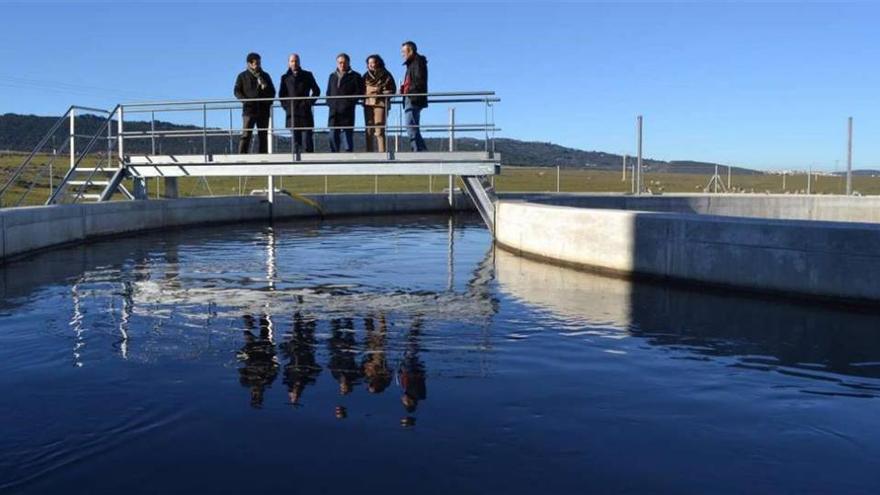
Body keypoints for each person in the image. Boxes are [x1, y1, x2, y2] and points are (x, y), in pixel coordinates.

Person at [233, 52, 276, 154]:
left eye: (259, 63)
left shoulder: (265, 76)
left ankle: (263, 157)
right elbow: (236, 91)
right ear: (249, 64)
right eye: (256, 63)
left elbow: (273, 92)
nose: (259, 65)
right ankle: (242, 157)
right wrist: (245, 101)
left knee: (263, 135)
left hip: (263, 110)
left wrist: (265, 88)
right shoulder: (242, 76)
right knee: (246, 134)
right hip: (249, 110)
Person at [278, 53, 321, 153]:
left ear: (299, 62)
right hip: (292, 113)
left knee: (308, 141)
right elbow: (281, 95)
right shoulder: (284, 77)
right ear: (288, 63)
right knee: (296, 143)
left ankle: (310, 164)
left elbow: (316, 91)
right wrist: (287, 107)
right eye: (292, 61)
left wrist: (309, 103)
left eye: (296, 61)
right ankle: (296, 164)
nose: (294, 63)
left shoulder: (307, 75)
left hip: (305, 112)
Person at [326, 53, 363, 152]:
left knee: (347, 136)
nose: (342, 65)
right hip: (334, 111)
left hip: (347, 111)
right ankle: (334, 156)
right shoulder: (332, 76)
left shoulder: (355, 76)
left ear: (348, 63)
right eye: (340, 62)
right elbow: (328, 92)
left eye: (344, 62)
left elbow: (359, 92)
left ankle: (349, 157)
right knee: (332, 135)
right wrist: (330, 103)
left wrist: (348, 103)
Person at [362, 55, 396, 153]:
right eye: (369, 63)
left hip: (380, 104)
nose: (372, 65)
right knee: (368, 130)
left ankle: (382, 153)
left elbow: (392, 90)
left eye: (373, 62)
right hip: (368, 104)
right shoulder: (365, 76)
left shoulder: (386, 74)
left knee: (380, 130)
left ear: (378, 62)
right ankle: (369, 153)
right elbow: (360, 90)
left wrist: (379, 92)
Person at [400, 41, 428, 152]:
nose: (402, 54)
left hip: (413, 98)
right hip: (412, 97)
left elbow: (418, 81)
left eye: (403, 51)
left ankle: (418, 150)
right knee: (412, 126)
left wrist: (407, 90)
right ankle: (420, 149)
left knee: (410, 126)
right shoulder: (413, 63)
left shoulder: (417, 62)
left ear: (410, 51)